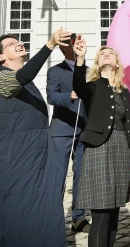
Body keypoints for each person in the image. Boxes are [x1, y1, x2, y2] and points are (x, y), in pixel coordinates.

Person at [0, 28, 71, 247]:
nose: (18, 44)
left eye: (19, 41)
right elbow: (23, 76)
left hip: (31, 161)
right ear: (0, 57)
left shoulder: (24, 83)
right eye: (10, 44)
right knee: (9, 221)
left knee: (36, 216)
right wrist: (50, 44)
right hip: (11, 164)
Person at [72, 40, 130, 247]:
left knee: (113, 211)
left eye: (111, 53)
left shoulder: (125, 91)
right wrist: (80, 58)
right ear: (97, 63)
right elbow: (77, 86)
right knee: (101, 212)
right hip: (98, 149)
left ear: (118, 64)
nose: (107, 55)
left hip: (121, 148)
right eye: (103, 54)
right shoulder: (91, 88)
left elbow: (129, 126)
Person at [46, 33, 89, 232]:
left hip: (84, 130)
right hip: (62, 130)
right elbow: (51, 96)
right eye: (70, 43)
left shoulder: (89, 71)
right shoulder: (56, 70)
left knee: (81, 175)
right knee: (58, 175)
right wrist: (69, 95)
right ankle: (52, 218)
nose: (74, 45)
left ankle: (79, 218)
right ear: (63, 48)